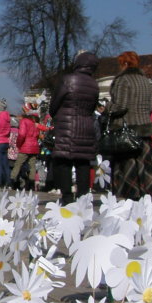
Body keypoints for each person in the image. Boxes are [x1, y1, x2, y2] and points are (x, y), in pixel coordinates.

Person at [48, 51, 100, 204]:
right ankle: (83, 198)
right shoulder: (94, 85)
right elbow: (92, 107)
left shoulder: (68, 80)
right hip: (86, 126)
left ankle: (67, 197)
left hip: (67, 126)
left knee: (63, 161)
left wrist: (57, 115)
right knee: (82, 162)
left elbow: (55, 104)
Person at [108, 51, 152, 200]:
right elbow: (150, 106)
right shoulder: (146, 81)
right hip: (144, 128)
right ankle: (147, 195)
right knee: (145, 165)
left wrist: (108, 108)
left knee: (127, 167)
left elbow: (120, 106)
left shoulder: (123, 80)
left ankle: (129, 195)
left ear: (124, 64)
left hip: (127, 130)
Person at [10, 104, 41, 190]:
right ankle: (31, 184)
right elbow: (37, 135)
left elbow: (22, 134)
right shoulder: (34, 124)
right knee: (32, 166)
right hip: (34, 147)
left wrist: (18, 144)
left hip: (25, 146)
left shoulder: (24, 121)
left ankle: (12, 182)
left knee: (18, 164)